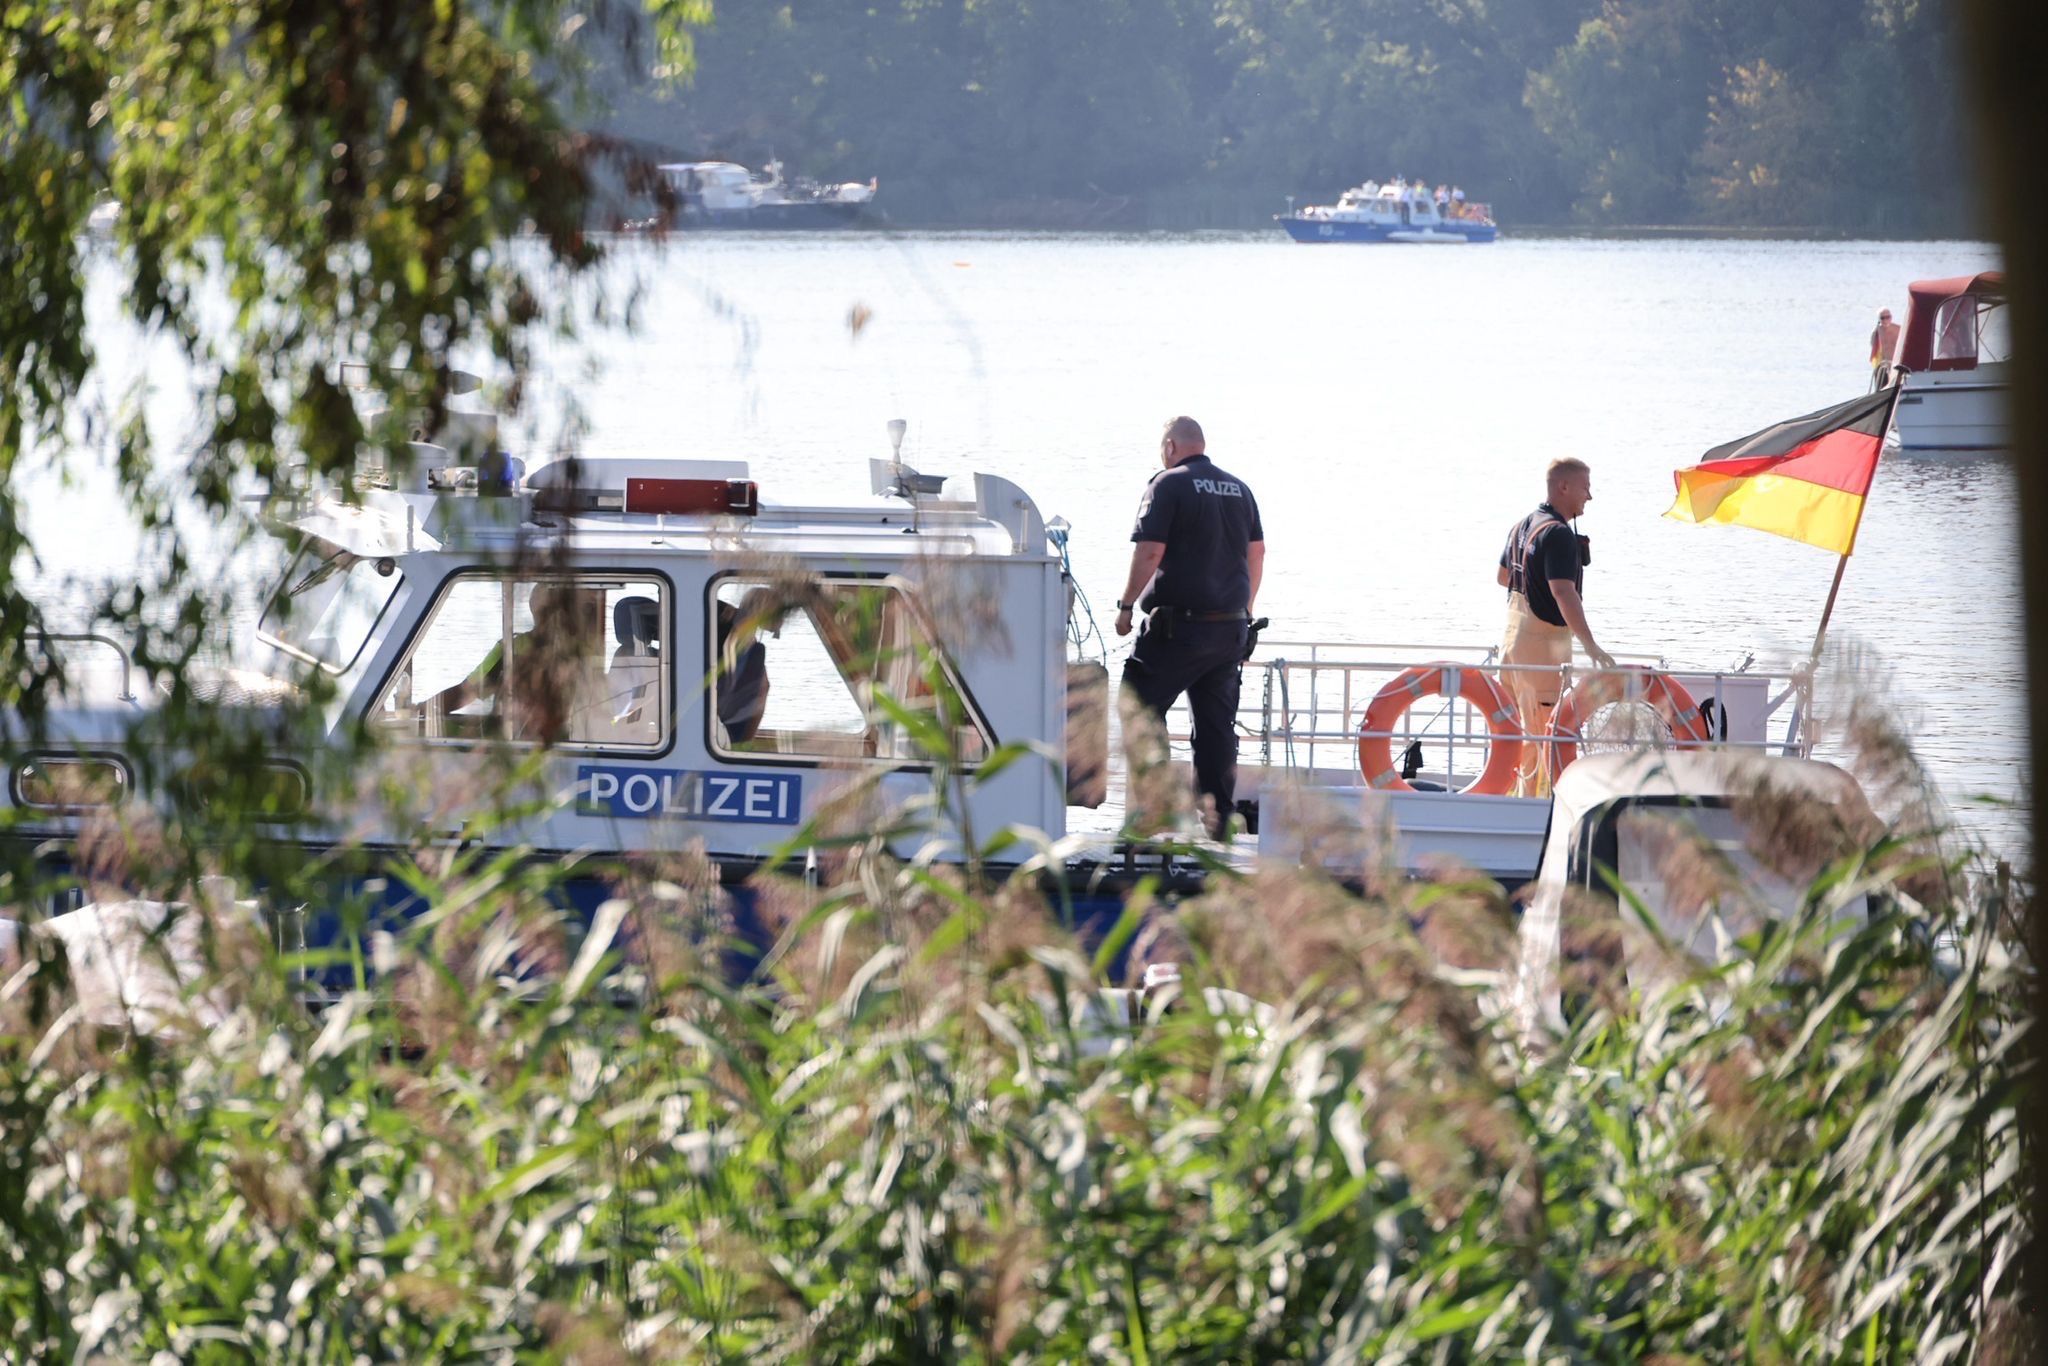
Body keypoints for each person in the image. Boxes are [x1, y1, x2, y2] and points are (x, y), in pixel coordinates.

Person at [1115, 416, 1265, 839]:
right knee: (1216, 730)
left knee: (1139, 711)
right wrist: (1245, 609)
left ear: (1169, 447)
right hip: (1229, 631)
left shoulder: (1168, 483)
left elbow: (1150, 551)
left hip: (1176, 629)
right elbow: (1258, 555)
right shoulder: (1240, 489)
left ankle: (1154, 813)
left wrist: (1126, 606)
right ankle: (1218, 822)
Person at [1496, 458, 1614, 797]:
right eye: (1585, 487)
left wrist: (1533, 575)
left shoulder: (1523, 525)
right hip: (1541, 648)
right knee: (1543, 731)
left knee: (1517, 729)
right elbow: (1563, 592)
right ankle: (1534, 808)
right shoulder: (1559, 534)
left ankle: (1511, 796)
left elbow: (1504, 577)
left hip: (1513, 645)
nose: (1589, 496)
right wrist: (1590, 645)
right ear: (1563, 487)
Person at [1869, 307, 1901, 387]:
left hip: (1896, 365)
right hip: (1883, 366)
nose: (1886, 320)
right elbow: (1874, 351)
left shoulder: (1899, 329)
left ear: (1891, 317)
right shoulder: (1876, 332)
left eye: (1888, 317)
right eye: (1883, 318)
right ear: (1879, 319)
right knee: (1881, 389)